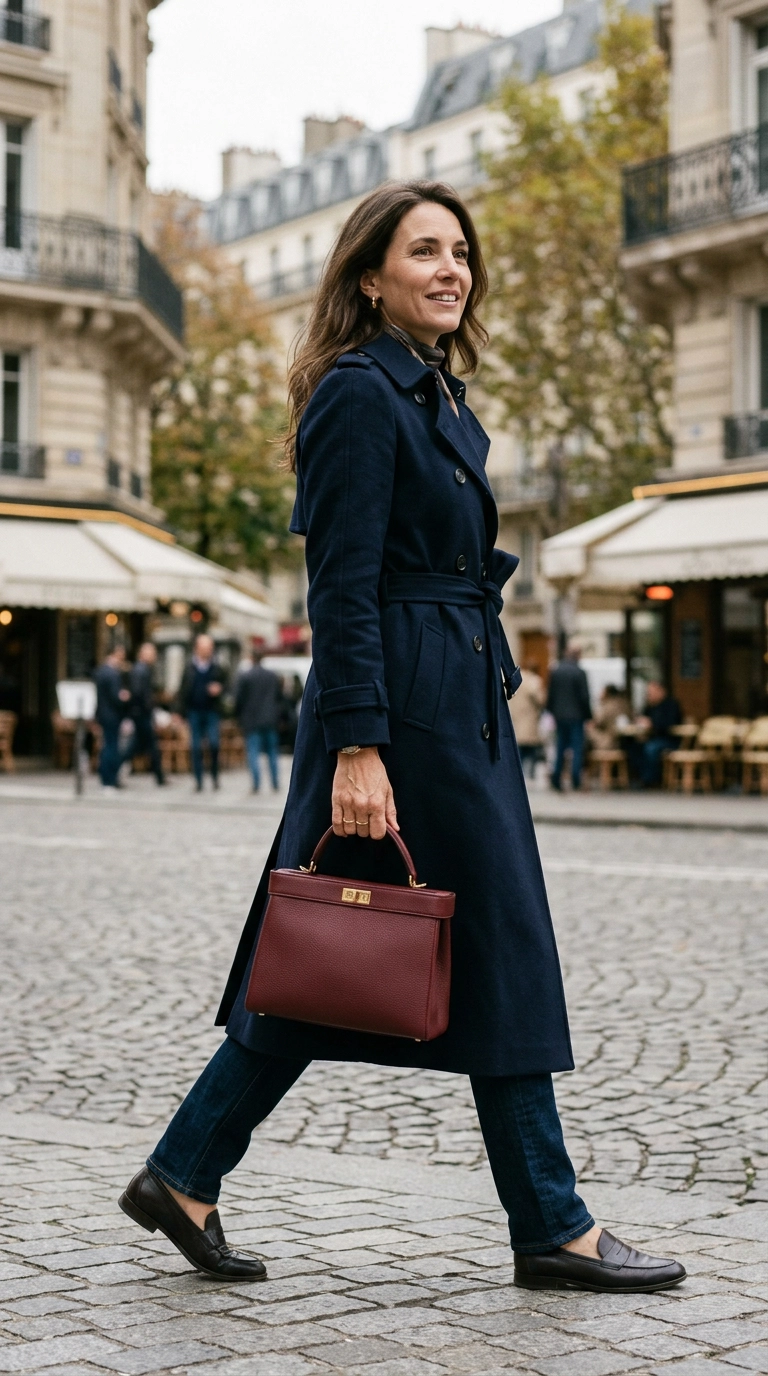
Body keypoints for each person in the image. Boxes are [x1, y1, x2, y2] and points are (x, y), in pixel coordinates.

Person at [119, 182, 685, 1294]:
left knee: (365, 957)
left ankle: (185, 1170)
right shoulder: (361, 394)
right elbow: (341, 587)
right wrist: (359, 748)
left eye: (462, 252)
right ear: (369, 275)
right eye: (424, 249)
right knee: (435, 947)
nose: (451, 268)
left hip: (454, 698)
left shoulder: (432, 393)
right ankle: (552, 1222)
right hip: (409, 714)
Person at [178, 634, 225, 792]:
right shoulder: (189, 667)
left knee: (214, 744)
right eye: (205, 648)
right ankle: (198, 780)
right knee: (196, 747)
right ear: (197, 649)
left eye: (210, 648)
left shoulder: (217, 668)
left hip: (211, 711)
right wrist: (179, 712)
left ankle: (214, 776)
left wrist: (220, 690)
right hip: (194, 711)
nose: (208, 651)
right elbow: (183, 690)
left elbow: (228, 686)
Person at [546, 639, 592, 791]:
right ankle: (575, 780)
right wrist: (588, 716)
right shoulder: (579, 672)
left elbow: (551, 695)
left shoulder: (556, 671)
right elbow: (584, 697)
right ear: (577, 654)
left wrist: (552, 711)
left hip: (560, 716)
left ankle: (557, 778)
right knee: (577, 748)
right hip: (576, 716)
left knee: (560, 747)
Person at [234, 649, 281, 792]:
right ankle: (275, 782)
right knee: (272, 752)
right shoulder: (272, 676)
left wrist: (239, 716)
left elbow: (238, 700)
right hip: (270, 719)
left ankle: (256, 784)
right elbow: (279, 698)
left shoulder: (246, 676)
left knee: (253, 752)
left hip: (252, 720)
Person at [126, 643, 166, 786]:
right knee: (144, 745)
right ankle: (159, 777)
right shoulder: (141, 670)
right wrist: (148, 706)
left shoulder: (142, 670)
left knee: (145, 745)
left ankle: (159, 777)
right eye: (152, 653)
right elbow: (139, 693)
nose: (154, 656)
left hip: (141, 713)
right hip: (141, 713)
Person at [93, 644, 130, 791]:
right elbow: (116, 697)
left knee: (107, 745)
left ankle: (106, 777)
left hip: (103, 714)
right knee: (111, 746)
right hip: (113, 715)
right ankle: (109, 779)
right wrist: (124, 697)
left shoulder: (100, 672)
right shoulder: (113, 674)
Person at [634, 680, 682, 787]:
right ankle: (641, 777)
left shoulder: (671, 705)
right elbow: (643, 719)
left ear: (661, 691)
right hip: (652, 738)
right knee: (634, 746)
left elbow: (670, 725)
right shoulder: (650, 706)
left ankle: (652, 780)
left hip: (669, 739)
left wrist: (652, 723)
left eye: (651, 692)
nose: (649, 695)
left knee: (651, 748)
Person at [510, 659, 545, 779]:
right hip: (529, 717)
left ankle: (518, 772)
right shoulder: (534, 681)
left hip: (517, 716)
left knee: (519, 746)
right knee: (531, 748)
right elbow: (540, 700)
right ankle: (530, 773)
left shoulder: (518, 677)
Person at [587, 683, 630, 752]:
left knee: (585, 731)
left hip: (607, 741)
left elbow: (597, 721)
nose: (600, 694)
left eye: (602, 691)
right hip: (616, 741)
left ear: (607, 693)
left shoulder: (607, 705)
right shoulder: (621, 704)